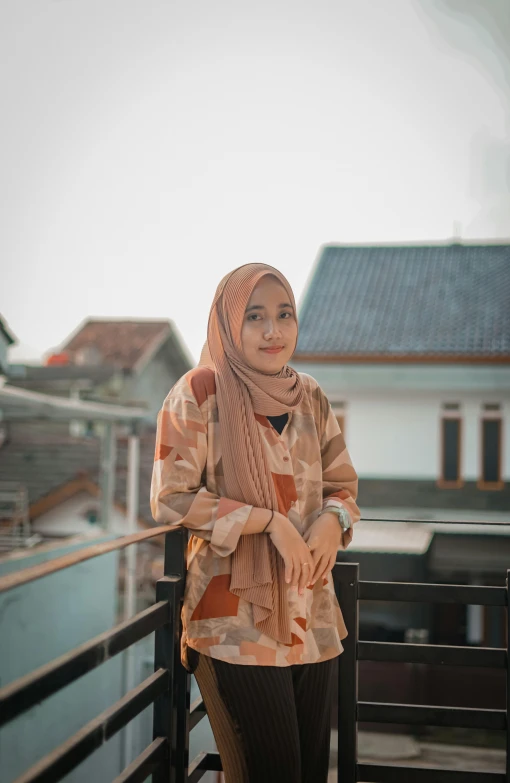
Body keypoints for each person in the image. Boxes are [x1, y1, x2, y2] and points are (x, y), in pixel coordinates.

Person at [150, 263, 360, 783]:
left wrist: (334, 521)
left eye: (284, 314)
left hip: (312, 617)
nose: (273, 331)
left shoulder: (309, 395)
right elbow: (171, 498)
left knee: (309, 774)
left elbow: (343, 486)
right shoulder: (199, 391)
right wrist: (267, 522)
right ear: (228, 323)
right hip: (231, 623)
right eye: (255, 316)